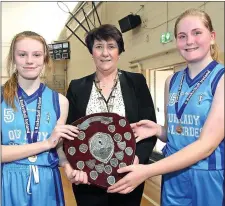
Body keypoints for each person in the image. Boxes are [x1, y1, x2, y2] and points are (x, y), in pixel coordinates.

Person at [107, 8, 224, 206]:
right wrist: (158, 130)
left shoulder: (220, 78)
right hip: (173, 174)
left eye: (197, 33)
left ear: (211, 37)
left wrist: (148, 171)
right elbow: (177, 132)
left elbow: (206, 145)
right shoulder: (172, 81)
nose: (189, 41)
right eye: (182, 36)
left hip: (208, 175)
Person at [64, 24, 157, 206]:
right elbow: (70, 133)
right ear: (91, 52)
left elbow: (148, 127)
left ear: (119, 51)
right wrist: (75, 166)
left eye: (111, 46)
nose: (105, 53)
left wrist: (137, 159)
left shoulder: (136, 82)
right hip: (88, 179)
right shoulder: (77, 87)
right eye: (99, 47)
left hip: (128, 175)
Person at [1, 31, 87, 206]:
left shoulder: (60, 102)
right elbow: (50, 144)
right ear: (13, 58)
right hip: (8, 181)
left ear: (45, 59)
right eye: (22, 54)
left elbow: (59, 148)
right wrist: (46, 144)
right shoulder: (2, 97)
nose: (29, 61)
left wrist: (69, 169)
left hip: (48, 183)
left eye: (37, 54)